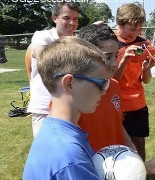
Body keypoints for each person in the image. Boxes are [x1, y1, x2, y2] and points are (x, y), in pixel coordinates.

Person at [23, 36, 111, 179]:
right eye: (101, 83)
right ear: (69, 83)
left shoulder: (57, 131)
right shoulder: (70, 157)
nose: (104, 91)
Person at [113, 3, 155, 161]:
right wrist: (125, 59)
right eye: (132, 29)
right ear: (119, 23)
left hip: (137, 103)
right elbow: (112, 80)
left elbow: (146, 81)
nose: (136, 33)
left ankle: (142, 171)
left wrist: (146, 69)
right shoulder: (108, 43)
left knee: (139, 142)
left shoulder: (144, 43)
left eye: (139, 29)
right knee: (117, 144)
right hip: (115, 103)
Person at [77, 24, 135, 152]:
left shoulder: (113, 85)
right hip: (91, 165)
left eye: (116, 55)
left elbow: (117, 122)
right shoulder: (73, 92)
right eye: (107, 57)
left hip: (118, 161)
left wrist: (129, 143)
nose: (114, 63)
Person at [27, 1, 79, 137]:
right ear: (54, 18)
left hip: (68, 105)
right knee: (45, 150)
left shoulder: (76, 41)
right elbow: (42, 56)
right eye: (67, 18)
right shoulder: (42, 36)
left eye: (75, 19)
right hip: (44, 106)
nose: (72, 23)